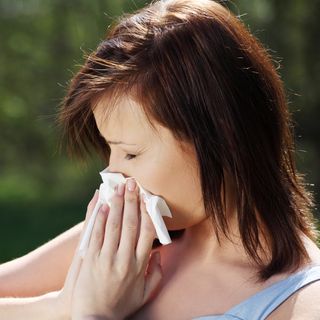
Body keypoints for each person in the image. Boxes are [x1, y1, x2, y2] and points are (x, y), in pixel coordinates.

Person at [0, 0, 320, 319]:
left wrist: (93, 315)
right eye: (110, 149)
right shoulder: (124, 239)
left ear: (222, 140)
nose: (112, 171)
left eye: (131, 153)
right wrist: (61, 306)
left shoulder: (301, 303)